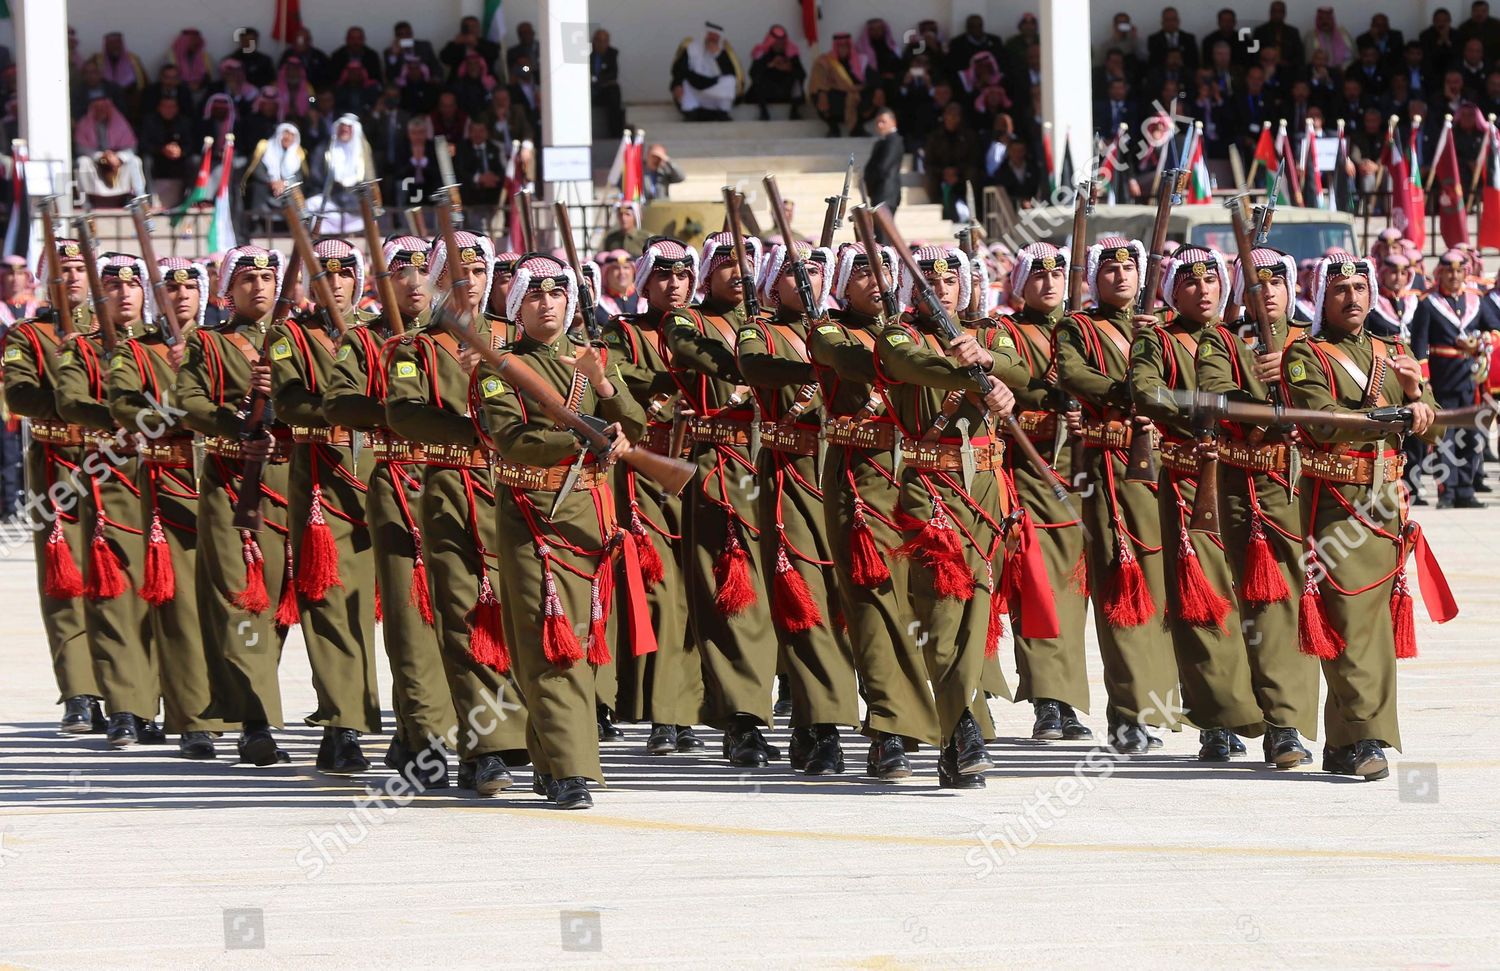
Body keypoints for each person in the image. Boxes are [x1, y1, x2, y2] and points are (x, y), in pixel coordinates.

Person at [476, 252, 644, 809]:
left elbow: (637, 423)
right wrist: (582, 437)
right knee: (547, 641)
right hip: (532, 510)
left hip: (591, 512)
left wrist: (606, 388)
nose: (546, 304)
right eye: (533, 295)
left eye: (556, 294)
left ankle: (550, 762)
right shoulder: (500, 366)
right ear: (517, 305)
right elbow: (511, 438)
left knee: (578, 638)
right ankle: (574, 769)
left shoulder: (587, 362)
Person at [1281, 251, 1445, 780]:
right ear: (1321, 298)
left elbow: (1435, 425)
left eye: (1359, 287)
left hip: (1387, 506)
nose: (1352, 298)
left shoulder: (1394, 350)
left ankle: (1343, 743)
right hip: (1336, 506)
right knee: (1348, 620)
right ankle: (1369, 736)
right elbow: (1324, 422)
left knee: (1371, 628)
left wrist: (1418, 395)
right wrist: (1394, 415)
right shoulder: (1306, 354)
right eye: (1339, 290)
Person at [384, 230, 531, 793]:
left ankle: (531, 731)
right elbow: (405, 414)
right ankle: (485, 746)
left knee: (522, 614)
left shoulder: (519, 340)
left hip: (521, 487)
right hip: (454, 483)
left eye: (477, 271)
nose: (468, 282)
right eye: (455, 273)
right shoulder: (415, 348)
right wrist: (478, 425)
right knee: (466, 613)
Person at [874, 243, 1022, 788]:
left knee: (976, 609)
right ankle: (962, 727)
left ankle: (958, 731)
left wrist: (995, 369)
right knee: (940, 612)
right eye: (929, 279)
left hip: (986, 486)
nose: (941, 286)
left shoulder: (990, 334)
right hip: (928, 483)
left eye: (951, 277)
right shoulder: (898, 333)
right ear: (915, 289)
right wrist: (973, 373)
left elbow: (1025, 372)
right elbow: (914, 368)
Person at [322, 235, 457, 786]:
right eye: (403, 271)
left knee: (465, 616)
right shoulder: (364, 341)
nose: (416, 281)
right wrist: (400, 410)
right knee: (410, 617)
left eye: (427, 270)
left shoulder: (464, 338)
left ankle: (423, 733)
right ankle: (426, 740)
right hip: (401, 477)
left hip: (471, 483)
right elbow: (339, 401)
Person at [808, 240, 938, 777]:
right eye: (861, 270)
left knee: (936, 607)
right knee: (876, 605)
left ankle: (957, 721)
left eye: (884, 269)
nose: (875, 278)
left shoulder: (920, 332)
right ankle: (889, 727)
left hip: (930, 476)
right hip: (864, 477)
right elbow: (862, 363)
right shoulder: (828, 331)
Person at [1130, 246, 1264, 761]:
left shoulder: (1236, 343)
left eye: (1211, 281)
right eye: (1190, 282)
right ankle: (1216, 718)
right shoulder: (1157, 342)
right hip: (1188, 479)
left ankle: (1270, 713)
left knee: (1251, 599)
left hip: (1244, 480)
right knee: (1201, 600)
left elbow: (1260, 407)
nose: (1204, 290)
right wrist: (1194, 411)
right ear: (1172, 291)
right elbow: (1144, 390)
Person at [1195, 247, 1320, 766]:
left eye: (1276, 283)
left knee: (1292, 607)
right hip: (1238, 486)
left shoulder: (1313, 344)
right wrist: (1264, 392)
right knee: (1235, 604)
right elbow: (1214, 393)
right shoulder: (1220, 340)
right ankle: (1231, 717)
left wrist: (1289, 381)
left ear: (1292, 290)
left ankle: (1285, 722)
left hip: (1306, 488)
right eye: (1254, 284)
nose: (1266, 292)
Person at [1053, 237, 1178, 753]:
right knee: (1121, 586)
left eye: (1131, 268)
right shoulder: (1077, 327)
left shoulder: (1165, 328)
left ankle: (1174, 705)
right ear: (1094, 278)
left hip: (1165, 468)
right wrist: (1131, 388)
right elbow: (1072, 372)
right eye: (1111, 269)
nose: (1122, 277)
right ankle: (1127, 713)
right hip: (1110, 466)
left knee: (1166, 588)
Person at [737, 241, 858, 775]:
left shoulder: (843, 329)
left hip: (853, 475)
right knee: (804, 601)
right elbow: (755, 368)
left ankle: (869, 723)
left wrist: (828, 343)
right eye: (792, 270)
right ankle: (821, 724)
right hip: (790, 475)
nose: (805, 277)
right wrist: (814, 360)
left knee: (850, 601)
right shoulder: (757, 331)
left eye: (813, 268)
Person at [264, 237, 382, 774]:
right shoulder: (292, 335)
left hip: (386, 479)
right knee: (331, 606)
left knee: (396, 612)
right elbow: (288, 401)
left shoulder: (385, 332)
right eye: (323, 276)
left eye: (344, 273)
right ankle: (342, 725)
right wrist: (349, 409)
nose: (334, 283)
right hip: (324, 484)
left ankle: (418, 725)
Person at [663, 230, 779, 766]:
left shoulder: (776, 323)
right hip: (722, 469)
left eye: (748, 262)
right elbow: (697, 354)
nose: (739, 272)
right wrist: (753, 352)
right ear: (705, 275)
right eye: (726, 264)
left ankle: (812, 720)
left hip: (783, 468)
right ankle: (742, 719)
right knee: (733, 597)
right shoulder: (688, 321)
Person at [177, 246, 292, 765]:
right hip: (230, 481)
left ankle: (254, 703)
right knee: (240, 600)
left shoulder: (301, 339)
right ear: (229, 289)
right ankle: (255, 720)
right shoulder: (209, 343)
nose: (260, 287)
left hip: (290, 483)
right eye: (248, 279)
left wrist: (282, 398)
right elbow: (190, 402)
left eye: (268, 277)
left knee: (279, 602)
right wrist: (238, 421)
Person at [110, 255, 225, 758]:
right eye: (171, 290)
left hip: (226, 481)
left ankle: (240, 709)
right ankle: (194, 717)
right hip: (169, 478)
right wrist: (177, 408)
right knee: (180, 607)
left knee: (229, 605)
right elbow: (122, 404)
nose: (181, 297)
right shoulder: (137, 351)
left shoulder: (224, 345)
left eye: (190, 288)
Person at [985, 243, 1093, 742]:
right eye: (1038, 275)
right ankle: (1049, 700)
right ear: (1021, 283)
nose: (1050, 284)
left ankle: (1074, 699)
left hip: (1093, 470)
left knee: (1074, 595)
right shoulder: (1005, 331)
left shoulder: (1090, 328)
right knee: (1039, 586)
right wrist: (1057, 390)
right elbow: (1007, 374)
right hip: (1031, 469)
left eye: (1058, 275)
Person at [601, 238, 703, 753]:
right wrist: (678, 385)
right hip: (647, 469)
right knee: (661, 592)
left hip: (708, 469)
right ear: (645, 282)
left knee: (698, 592)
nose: (675, 284)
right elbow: (621, 382)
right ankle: (666, 713)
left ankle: (690, 707)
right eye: (664, 275)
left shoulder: (710, 328)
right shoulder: (623, 334)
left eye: (684, 274)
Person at [54, 253, 159, 749]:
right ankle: (125, 707)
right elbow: (70, 400)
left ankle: (160, 702)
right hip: (112, 476)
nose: (123, 294)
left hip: (173, 478)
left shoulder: (168, 347)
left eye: (132, 285)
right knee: (115, 593)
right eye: (112, 287)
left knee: (161, 598)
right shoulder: (82, 349)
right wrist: (118, 416)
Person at [1, 237, 104, 735]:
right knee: (65, 579)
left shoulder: (116, 331)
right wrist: (69, 393)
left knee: (116, 575)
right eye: (63, 268)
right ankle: (80, 691)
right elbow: (19, 393)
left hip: (116, 462)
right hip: (57, 461)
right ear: (47, 277)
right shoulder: (31, 334)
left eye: (81, 267)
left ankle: (126, 690)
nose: (74, 277)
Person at [1409, 251, 1500, 508]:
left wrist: (1481, 343)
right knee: (1446, 440)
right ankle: (1447, 492)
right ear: (1440, 273)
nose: (1454, 276)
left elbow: (1493, 330)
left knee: (1471, 438)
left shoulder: (1477, 302)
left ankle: (1466, 490)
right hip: (1442, 380)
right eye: (1449, 271)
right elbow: (1419, 347)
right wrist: (1425, 381)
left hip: (1471, 381)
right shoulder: (1428, 304)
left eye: (1459, 271)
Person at [307, 114, 374, 235]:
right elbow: (315, 175)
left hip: (355, 204)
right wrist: (333, 185)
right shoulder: (325, 149)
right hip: (331, 199)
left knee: (371, 214)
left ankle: (355, 234)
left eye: (348, 128)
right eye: (342, 128)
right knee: (310, 205)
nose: (345, 131)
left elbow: (369, 179)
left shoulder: (362, 152)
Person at [74, 93, 144, 205]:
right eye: (97, 108)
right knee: (82, 162)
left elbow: (132, 147)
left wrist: (118, 157)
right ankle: (85, 202)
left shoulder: (120, 123)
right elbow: (81, 148)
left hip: (117, 161)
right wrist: (101, 156)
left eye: (104, 107)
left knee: (135, 160)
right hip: (95, 161)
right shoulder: (84, 124)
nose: (101, 110)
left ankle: (139, 199)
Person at [671, 22, 743, 121]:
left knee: (730, 81)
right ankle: (691, 113)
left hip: (715, 92)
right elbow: (679, 69)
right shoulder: (691, 49)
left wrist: (717, 55)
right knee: (683, 83)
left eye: (716, 36)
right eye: (710, 35)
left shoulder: (723, 52)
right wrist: (677, 84)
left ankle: (723, 112)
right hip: (695, 87)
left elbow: (730, 72)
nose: (712, 38)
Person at [138, 96, 193, 208]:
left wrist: (181, 151)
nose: (169, 109)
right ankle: (150, 196)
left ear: (177, 108)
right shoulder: (150, 121)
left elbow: (191, 145)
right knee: (146, 159)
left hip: (178, 160)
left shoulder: (184, 122)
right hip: (157, 159)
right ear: (159, 108)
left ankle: (190, 196)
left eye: (172, 106)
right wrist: (162, 149)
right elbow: (143, 144)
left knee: (194, 161)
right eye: (165, 106)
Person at [809, 33, 867, 138]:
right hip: (834, 97)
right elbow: (818, 81)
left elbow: (871, 78)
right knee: (818, 95)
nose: (843, 49)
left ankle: (857, 128)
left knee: (869, 94)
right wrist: (822, 93)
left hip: (855, 97)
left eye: (846, 46)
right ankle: (833, 127)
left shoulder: (860, 60)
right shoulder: (825, 61)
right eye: (840, 46)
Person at [242, 123, 306, 218]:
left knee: (295, 191)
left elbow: (299, 176)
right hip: (266, 185)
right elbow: (257, 170)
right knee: (258, 188)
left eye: (292, 135)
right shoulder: (265, 147)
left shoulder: (297, 154)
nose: (288, 138)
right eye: (286, 133)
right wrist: (272, 182)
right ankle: (256, 223)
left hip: (286, 187)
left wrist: (284, 183)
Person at [745, 25, 805, 122]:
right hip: (766, 92)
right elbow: (752, 73)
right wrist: (770, 65)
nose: (780, 44)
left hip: (785, 92)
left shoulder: (791, 53)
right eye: (777, 42)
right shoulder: (762, 53)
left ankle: (794, 112)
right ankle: (764, 113)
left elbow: (802, 74)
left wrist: (789, 69)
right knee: (759, 80)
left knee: (797, 81)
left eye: (782, 42)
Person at [456, 117, 506, 234]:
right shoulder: (463, 149)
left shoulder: (495, 148)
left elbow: (503, 171)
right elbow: (460, 172)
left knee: (496, 234)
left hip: (493, 200)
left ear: (487, 132)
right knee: (477, 234)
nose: (478, 134)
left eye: (481, 131)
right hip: (472, 201)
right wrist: (479, 178)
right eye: (475, 131)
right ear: (470, 132)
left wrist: (494, 178)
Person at [863, 109, 903, 217]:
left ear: (893, 122)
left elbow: (883, 167)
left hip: (885, 194)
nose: (880, 125)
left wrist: (870, 179)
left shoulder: (893, 140)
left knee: (882, 232)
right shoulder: (884, 141)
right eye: (878, 122)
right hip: (880, 194)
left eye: (883, 122)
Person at [591, 30, 626, 137]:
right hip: (589, 90)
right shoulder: (587, 54)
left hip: (603, 90)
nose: (602, 44)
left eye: (605, 41)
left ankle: (616, 134)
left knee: (614, 91)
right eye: (599, 41)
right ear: (594, 42)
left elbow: (612, 75)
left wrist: (597, 81)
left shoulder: (612, 53)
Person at [1149, 8, 1199, 73]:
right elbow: (1152, 64)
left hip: (1186, 76)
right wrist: (1167, 61)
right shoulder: (1153, 39)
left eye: (1173, 19)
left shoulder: (1189, 38)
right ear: (1162, 22)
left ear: (1178, 21)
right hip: (1162, 77)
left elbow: (1195, 62)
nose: (1170, 23)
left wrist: (1181, 62)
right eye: (1167, 20)